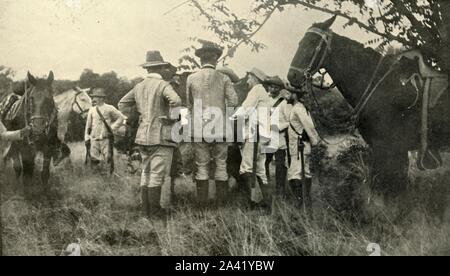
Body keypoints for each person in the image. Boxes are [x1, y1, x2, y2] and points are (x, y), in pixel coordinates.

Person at [119, 50, 182, 219]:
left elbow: (122, 104)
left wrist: (138, 116)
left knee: (145, 174)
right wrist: (170, 118)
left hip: (142, 136)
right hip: (161, 136)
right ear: (161, 68)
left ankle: (145, 212)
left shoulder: (138, 86)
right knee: (156, 174)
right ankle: (155, 212)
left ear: (147, 69)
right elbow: (176, 101)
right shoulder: (163, 85)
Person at [186, 40, 238, 208]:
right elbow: (234, 101)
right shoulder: (224, 78)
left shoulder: (191, 78)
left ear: (200, 60)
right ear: (215, 59)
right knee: (221, 164)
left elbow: (189, 104)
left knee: (202, 165)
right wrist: (225, 116)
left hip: (199, 128)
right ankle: (221, 204)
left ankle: (202, 206)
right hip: (220, 127)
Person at [231, 68, 272, 208]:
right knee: (260, 171)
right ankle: (267, 203)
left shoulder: (256, 90)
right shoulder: (263, 92)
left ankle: (253, 202)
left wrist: (229, 119)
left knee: (245, 169)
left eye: (249, 78)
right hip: (262, 137)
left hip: (253, 136)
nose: (247, 81)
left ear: (254, 78)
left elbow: (244, 111)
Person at [287, 86, 320, 209]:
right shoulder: (297, 108)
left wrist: (315, 141)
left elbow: (309, 126)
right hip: (299, 146)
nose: (286, 95)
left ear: (294, 95)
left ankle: (299, 204)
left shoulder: (298, 108)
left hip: (299, 147)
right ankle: (306, 203)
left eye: (289, 93)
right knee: (304, 172)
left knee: (294, 174)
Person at [84, 88, 125, 173]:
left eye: (96, 97)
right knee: (94, 158)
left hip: (106, 138)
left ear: (102, 98)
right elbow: (88, 125)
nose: (94, 99)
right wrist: (87, 137)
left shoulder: (109, 108)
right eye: (94, 97)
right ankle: (96, 178)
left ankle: (109, 176)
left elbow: (121, 117)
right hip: (94, 138)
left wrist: (112, 128)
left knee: (108, 158)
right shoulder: (92, 109)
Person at [263, 76, 291, 197]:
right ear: (268, 87)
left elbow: (290, 121)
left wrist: (277, 127)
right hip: (266, 138)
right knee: (264, 162)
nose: (273, 89)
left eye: (276, 87)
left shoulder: (284, 103)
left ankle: (280, 190)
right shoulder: (264, 100)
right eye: (271, 86)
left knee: (280, 164)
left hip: (279, 137)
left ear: (280, 89)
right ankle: (266, 188)